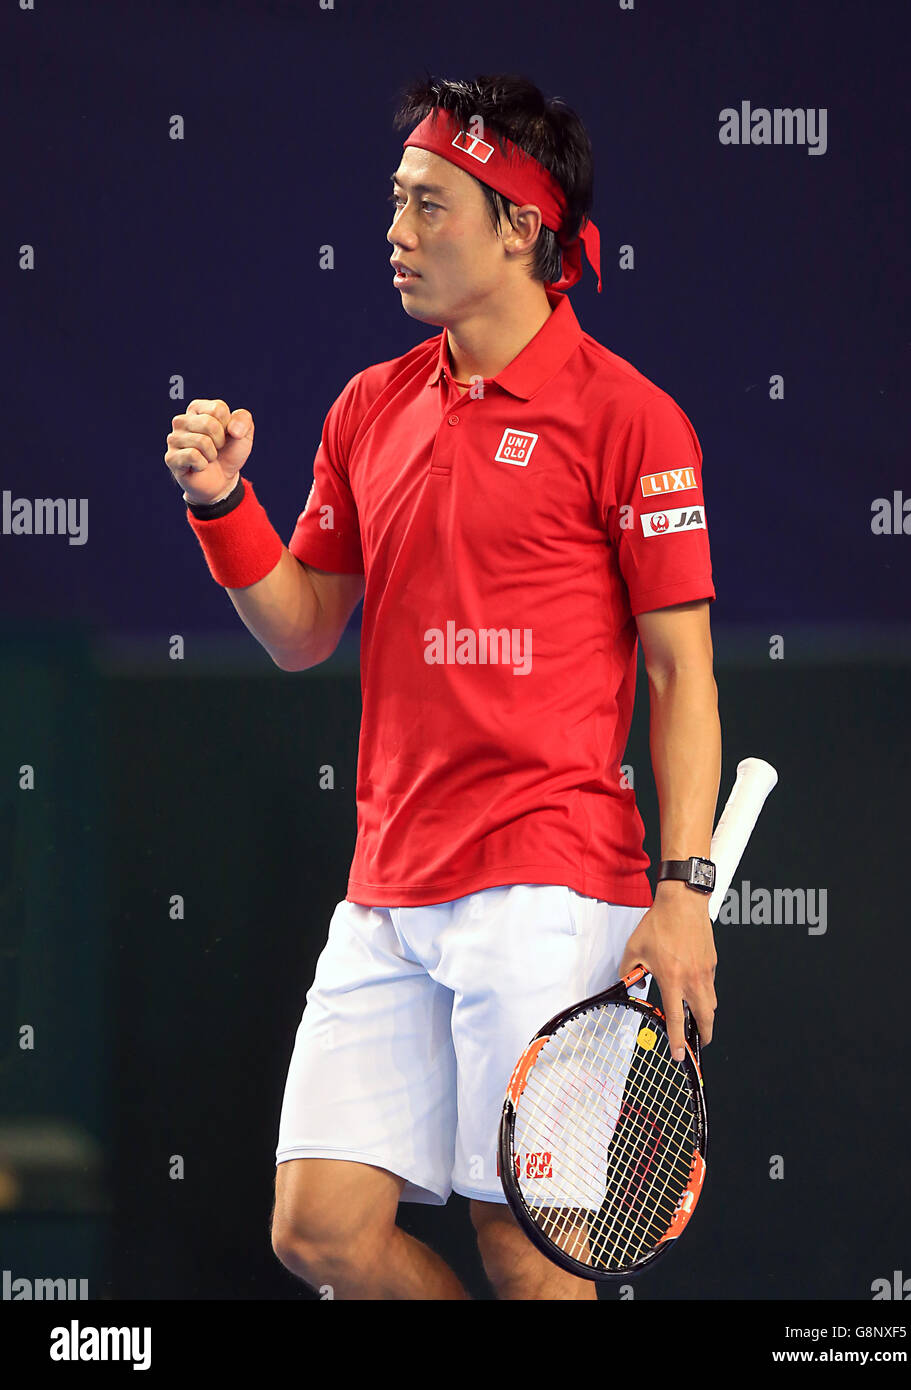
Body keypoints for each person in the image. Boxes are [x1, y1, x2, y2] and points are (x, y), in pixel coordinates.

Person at [164, 72, 721, 1301]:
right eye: (395, 203)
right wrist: (223, 509)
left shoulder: (634, 421)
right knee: (317, 1230)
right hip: (389, 887)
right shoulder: (370, 407)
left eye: (428, 207)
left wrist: (681, 894)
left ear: (521, 227)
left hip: (552, 888)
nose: (395, 233)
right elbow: (304, 627)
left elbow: (684, 675)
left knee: (528, 1254)